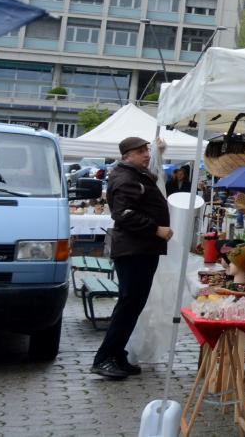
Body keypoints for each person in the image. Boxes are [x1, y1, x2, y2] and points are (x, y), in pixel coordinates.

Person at [92, 135, 171, 380]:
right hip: (133, 250)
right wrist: (155, 229)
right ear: (127, 156)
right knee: (128, 305)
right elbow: (124, 214)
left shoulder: (135, 174)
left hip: (142, 249)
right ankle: (104, 358)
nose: (146, 155)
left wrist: (158, 153)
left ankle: (117, 354)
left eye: (147, 150)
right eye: (140, 152)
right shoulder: (125, 177)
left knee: (133, 305)